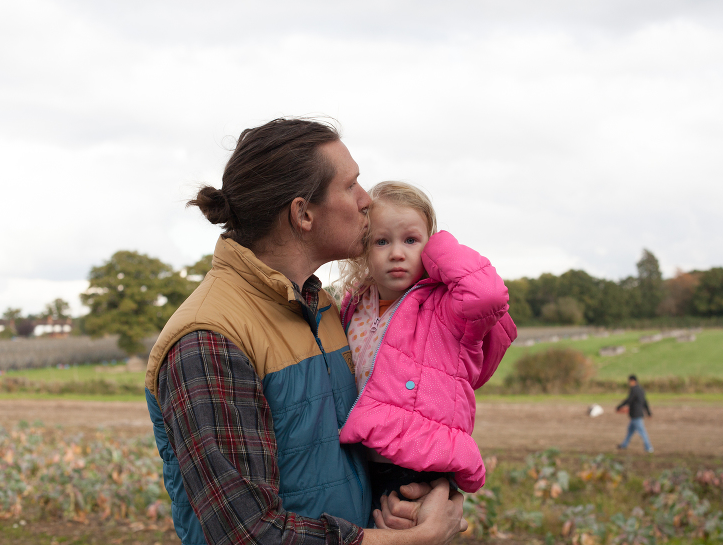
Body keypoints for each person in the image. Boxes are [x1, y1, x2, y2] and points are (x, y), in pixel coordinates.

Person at [144, 119, 466, 545]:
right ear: (303, 214)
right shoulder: (208, 339)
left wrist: (421, 499)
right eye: (351, 186)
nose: (367, 200)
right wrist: (413, 540)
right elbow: (248, 533)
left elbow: (345, 458)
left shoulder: (325, 308)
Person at [336, 181, 517, 505]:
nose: (396, 253)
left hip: (418, 461)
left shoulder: (447, 307)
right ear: (364, 248)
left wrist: (439, 249)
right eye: (381, 241)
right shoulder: (355, 303)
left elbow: (488, 296)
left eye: (411, 240)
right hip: (361, 456)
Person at [615, 374, 654, 453]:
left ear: (633, 381)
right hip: (636, 415)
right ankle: (624, 445)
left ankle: (649, 447)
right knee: (630, 431)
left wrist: (619, 406)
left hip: (636, 415)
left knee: (642, 432)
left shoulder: (634, 390)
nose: (629, 383)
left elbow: (629, 400)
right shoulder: (641, 390)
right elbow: (645, 402)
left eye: (629, 381)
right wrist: (649, 413)